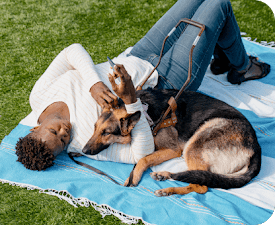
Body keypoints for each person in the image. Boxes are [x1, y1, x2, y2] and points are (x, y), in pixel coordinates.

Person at [16, 0, 270, 171]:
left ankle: (229, 60)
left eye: (54, 133)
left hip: (138, 55)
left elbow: (71, 52)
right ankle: (243, 67)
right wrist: (130, 100)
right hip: (167, 79)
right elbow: (140, 153)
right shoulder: (85, 140)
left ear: (34, 129)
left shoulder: (38, 96)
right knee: (219, 4)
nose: (65, 133)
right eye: (62, 142)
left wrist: (94, 83)